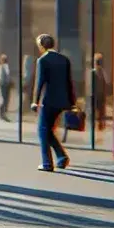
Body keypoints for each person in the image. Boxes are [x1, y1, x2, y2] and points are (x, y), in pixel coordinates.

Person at [31, 34, 75, 171]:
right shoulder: (64, 59)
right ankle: (61, 157)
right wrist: (71, 101)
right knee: (48, 130)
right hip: (62, 101)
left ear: (42, 46)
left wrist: (35, 102)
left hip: (48, 101)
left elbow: (40, 83)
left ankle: (47, 163)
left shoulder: (42, 60)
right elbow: (69, 82)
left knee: (42, 130)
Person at [0, 53, 13, 121]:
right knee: (3, 99)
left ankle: (3, 113)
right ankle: (2, 114)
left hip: (6, 85)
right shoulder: (1, 67)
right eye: (4, 59)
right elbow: (0, 77)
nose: (5, 60)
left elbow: (7, 76)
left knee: (6, 99)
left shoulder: (6, 66)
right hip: (3, 85)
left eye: (5, 59)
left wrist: (10, 82)